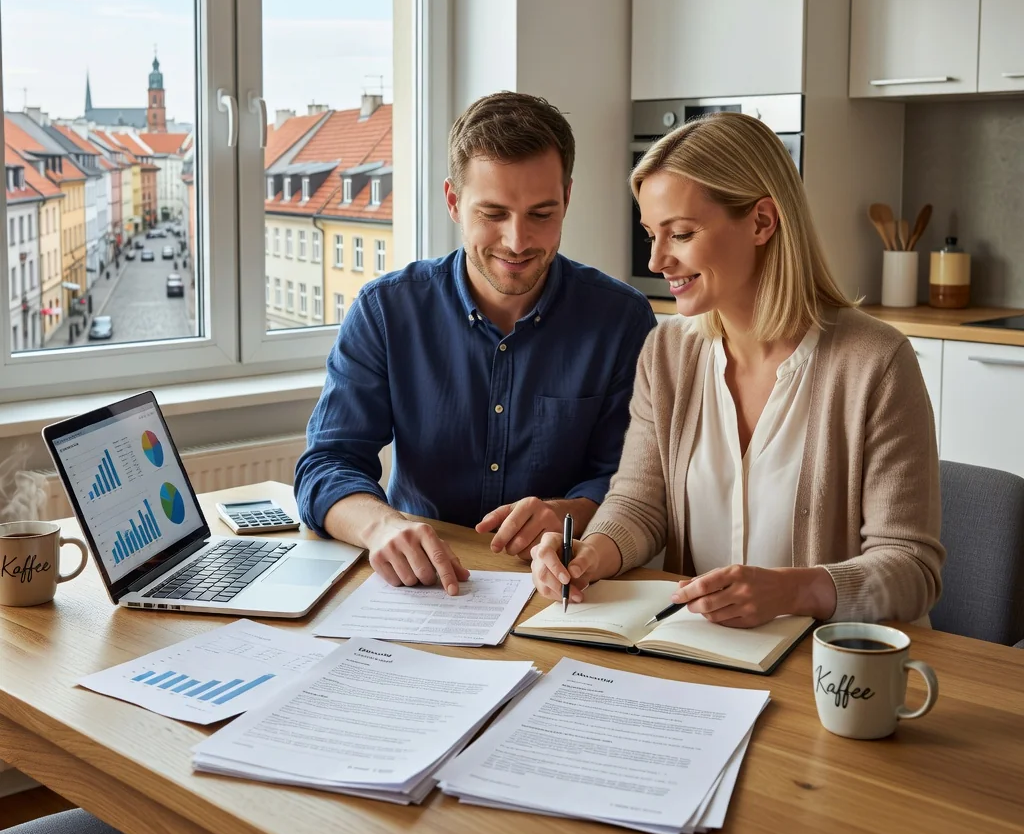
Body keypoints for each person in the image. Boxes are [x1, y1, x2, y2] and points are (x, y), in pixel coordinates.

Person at [531, 111, 944, 626]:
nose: (658, 261)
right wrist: (592, 553)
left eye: (680, 234)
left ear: (762, 222)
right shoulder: (667, 353)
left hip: (832, 674)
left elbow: (912, 569)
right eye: (651, 236)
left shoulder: (875, 363)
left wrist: (793, 591)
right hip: (703, 655)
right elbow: (639, 504)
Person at [295, 92, 656, 595]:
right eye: (493, 213)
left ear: (567, 199)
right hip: (418, 588)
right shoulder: (386, 311)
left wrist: (566, 511)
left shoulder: (621, 321)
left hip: (560, 590)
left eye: (541, 213)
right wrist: (382, 526)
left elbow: (629, 484)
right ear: (452, 202)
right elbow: (326, 464)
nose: (517, 241)